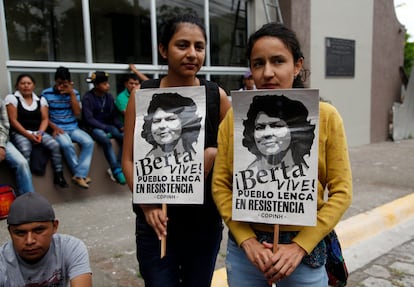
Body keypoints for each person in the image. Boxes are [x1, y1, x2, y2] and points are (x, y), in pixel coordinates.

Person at [212, 22, 352, 287]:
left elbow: (342, 190)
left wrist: (300, 246)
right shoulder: (234, 118)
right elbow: (221, 185)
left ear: (297, 65)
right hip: (247, 252)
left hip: (304, 253)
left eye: (278, 61)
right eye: (258, 63)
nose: (267, 72)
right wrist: (247, 241)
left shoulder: (327, 117)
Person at [122, 13, 231, 287]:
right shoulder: (141, 96)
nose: (192, 54)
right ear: (163, 49)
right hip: (156, 226)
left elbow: (236, 153)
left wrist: (213, 154)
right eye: (182, 45)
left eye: (199, 46)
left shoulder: (216, 96)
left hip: (203, 223)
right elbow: (127, 159)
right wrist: (146, 203)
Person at [0, 192, 92, 286]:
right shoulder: (2, 262)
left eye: (38, 230)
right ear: (10, 232)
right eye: (20, 233)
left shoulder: (70, 248)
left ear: (54, 226)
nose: (30, 241)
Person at [5, 74, 68, 188]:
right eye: (22, 83)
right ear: (17, 86)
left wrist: (40, 133)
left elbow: (45, 119)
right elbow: (13, 121)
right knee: (25, 149)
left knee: (54, 145)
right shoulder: (12, 98)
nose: (26, 86)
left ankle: (59, 175)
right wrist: (28, 135)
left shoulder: (40, 100)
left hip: (38, 132)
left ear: (33, 85)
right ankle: (26, 180)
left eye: (29, 83)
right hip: (20, 132)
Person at [42, 66, 95, 189]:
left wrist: (71, 93)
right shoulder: (46, 93)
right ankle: (80, 175)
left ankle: (79, 175)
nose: (61, 87)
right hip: (57, 128)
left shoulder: (74, 92)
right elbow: (44, 116)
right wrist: (53, 127)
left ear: (69, 82)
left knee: (88, 142)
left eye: (64, 84)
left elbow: (77, 112)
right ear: (55, 81)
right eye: (59, 83)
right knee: (66, 145)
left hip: (73, 127)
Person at [242, 94, 315, 171]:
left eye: (277, 126)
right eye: (259, 128)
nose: (267, 133)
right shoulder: (245, 175)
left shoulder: (309, 172)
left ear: (294, 131)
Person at [82, 71, 126, 184]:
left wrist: (120, 126)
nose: (108, 86)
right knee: (106, 141)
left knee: (124, 138)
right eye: (104, 84)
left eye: (107, 83)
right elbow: (89, 119)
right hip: (93, 128)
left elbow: (114, 116)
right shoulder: (88, 98)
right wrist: (104, 127)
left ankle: (119, 165)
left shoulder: (109, 97)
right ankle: (116, 170)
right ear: (97, 85)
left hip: (108, 126)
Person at [141, 92, 202, 158]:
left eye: (170, 119)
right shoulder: (147, 160)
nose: (162, 126)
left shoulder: (197, 158)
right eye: (156, 121)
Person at [0, 99, 35, 195]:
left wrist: (1, 146)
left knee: (22, 163)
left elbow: (4, 126)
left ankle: (29, 200)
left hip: (2, 141)